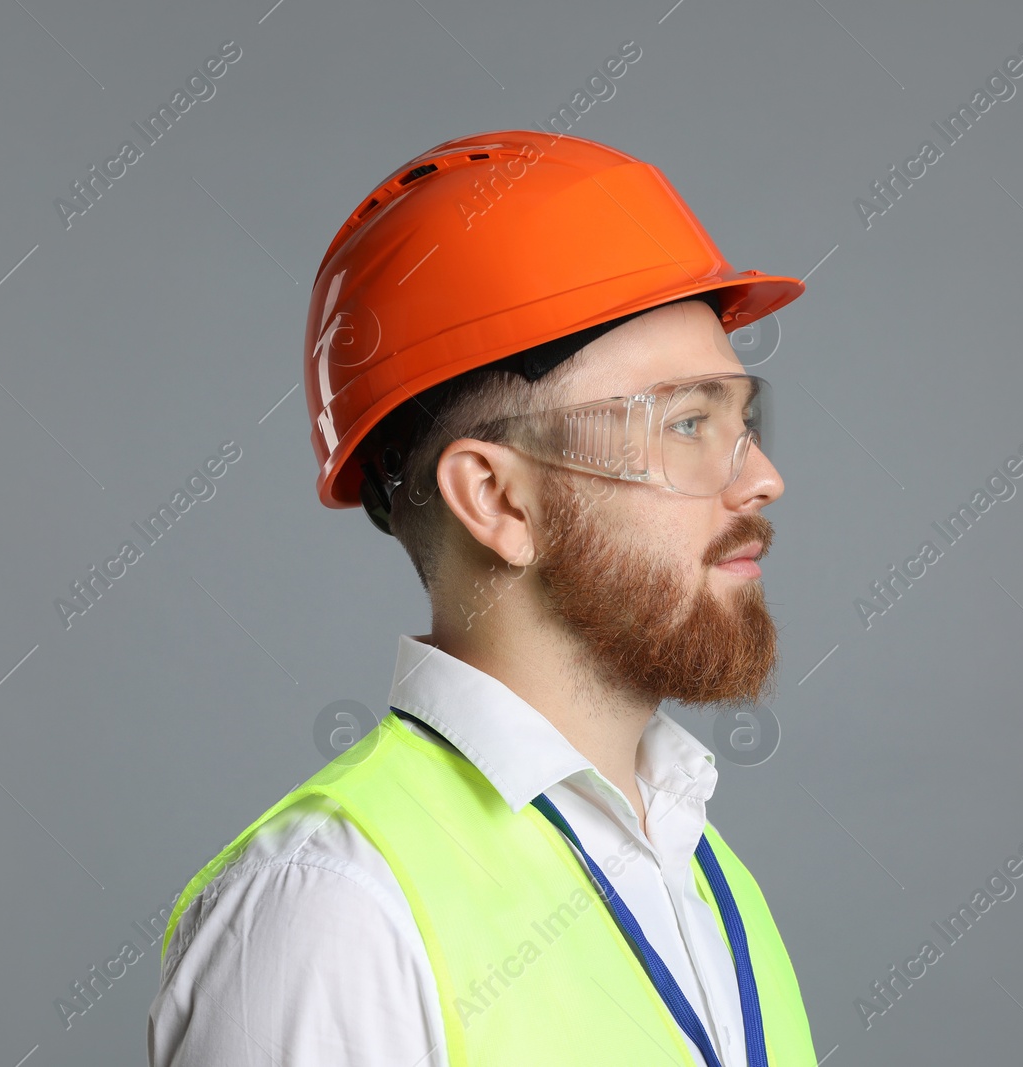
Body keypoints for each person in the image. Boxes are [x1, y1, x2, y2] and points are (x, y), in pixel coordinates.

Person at [147, 129, 820, 1066]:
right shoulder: (333, 911)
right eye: (689, 423)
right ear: (498, 499)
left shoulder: (699, 869)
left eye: (743, 422)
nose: (761, 479)